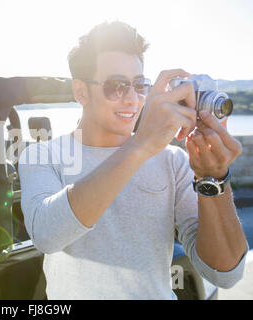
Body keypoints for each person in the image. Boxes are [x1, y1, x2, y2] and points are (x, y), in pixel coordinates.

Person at [17, 21, 249, 299]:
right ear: (81, 92)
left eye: (140, 85)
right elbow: (46, 235)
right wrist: (141, 145)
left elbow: (224, 273)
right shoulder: (43, 155)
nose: (132, 99)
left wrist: (214, 178)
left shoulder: (172, 161)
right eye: (116, 86)